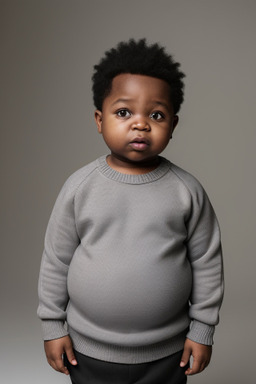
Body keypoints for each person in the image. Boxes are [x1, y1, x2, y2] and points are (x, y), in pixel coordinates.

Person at [37, 39, 224, 384]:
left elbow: (207, 263)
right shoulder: (80, 187)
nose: (140, 124)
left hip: (167, 354)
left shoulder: (187, 191)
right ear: (99, 118)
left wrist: (202, 331)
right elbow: (56, 260)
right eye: (124, 112)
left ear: (174, 124)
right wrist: (52, 326)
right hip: (87, 351)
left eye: (156, 115)